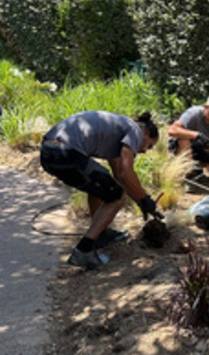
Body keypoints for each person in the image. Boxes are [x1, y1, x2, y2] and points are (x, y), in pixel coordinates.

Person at [40, 111, 164, 270]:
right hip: (65, 151)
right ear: (145, 133)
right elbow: (127, 172)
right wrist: (146, 199)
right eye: (149, 145)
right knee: (117, 196)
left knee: (102, 187)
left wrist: (141, 202)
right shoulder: (134, 130)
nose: (146, 151)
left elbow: (120, 178)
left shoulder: (119, 134)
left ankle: (100, 234)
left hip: (49, 152)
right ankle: (83, 250)